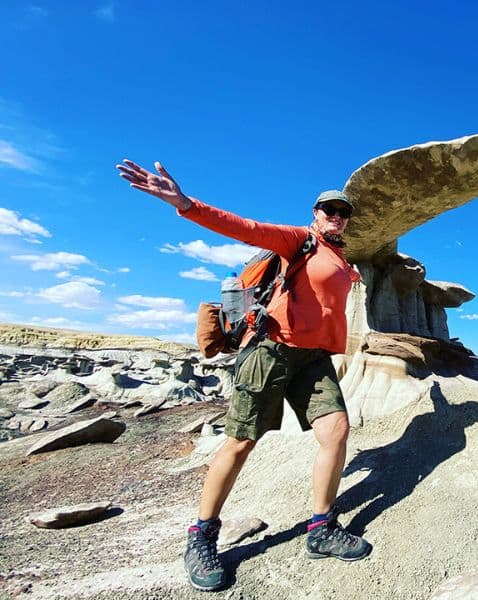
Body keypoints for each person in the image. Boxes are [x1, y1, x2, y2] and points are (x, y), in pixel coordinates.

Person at [116, 159, 371, 592]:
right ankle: (201, 536)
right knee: (240, 442)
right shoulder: (298, 240)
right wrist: (184, 203)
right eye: (329, 209)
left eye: (343, 212)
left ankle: (321, 529)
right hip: (270, 352)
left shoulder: (341, 258)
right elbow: (245, 227)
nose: (336, 216)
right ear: (315, 213)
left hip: (312, 360)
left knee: (337, 431)